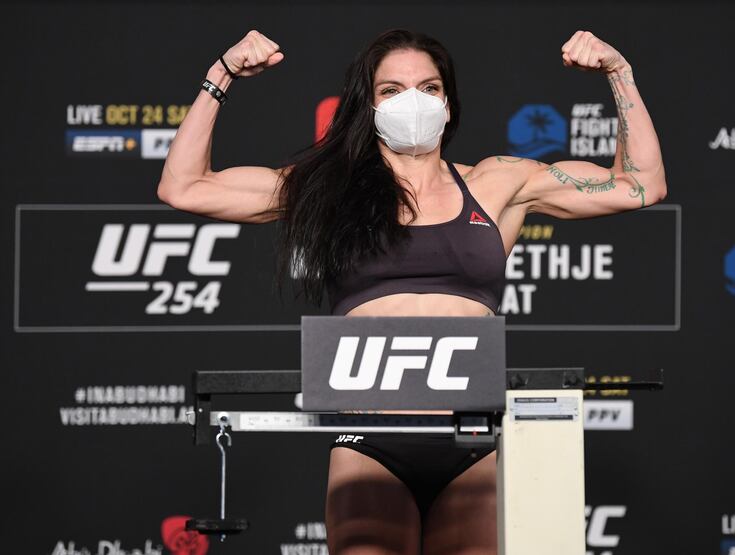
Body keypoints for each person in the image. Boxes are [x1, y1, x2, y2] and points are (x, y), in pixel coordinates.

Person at [157, 27, 666, 555]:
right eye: (391, 90)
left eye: (428, 88)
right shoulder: (328, 190)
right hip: (369, 444)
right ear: (369, 106)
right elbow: (183, 185)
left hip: (472, 442)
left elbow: (642, 183)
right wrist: (223, 74)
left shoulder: (498, 185)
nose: (412, 102)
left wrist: (618, 71)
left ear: (448, 104)